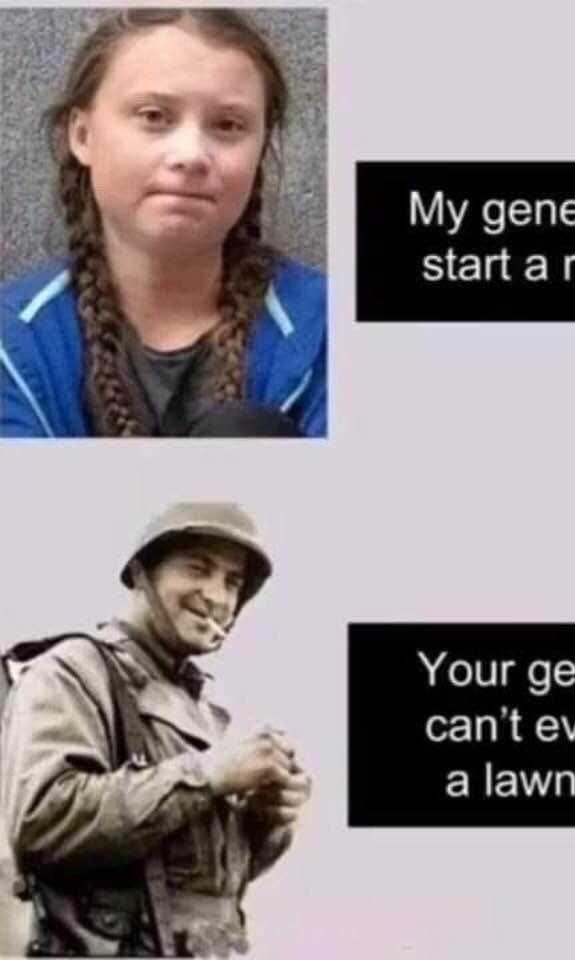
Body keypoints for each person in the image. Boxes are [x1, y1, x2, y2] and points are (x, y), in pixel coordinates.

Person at [0, 502, 311, 956]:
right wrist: (209, 775)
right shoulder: (73, 671)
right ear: (143, 574)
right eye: (197, 568)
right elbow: (42, 821)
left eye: (233, 582)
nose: (217, 596)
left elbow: (196, 884)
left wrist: (263, 821)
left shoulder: (201, 708)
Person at [0, 9, 326, 438]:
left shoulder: (332, 330)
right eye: (154, 116)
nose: (191, 154)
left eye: (228, 125)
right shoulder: (14, 344)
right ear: (81, 136)